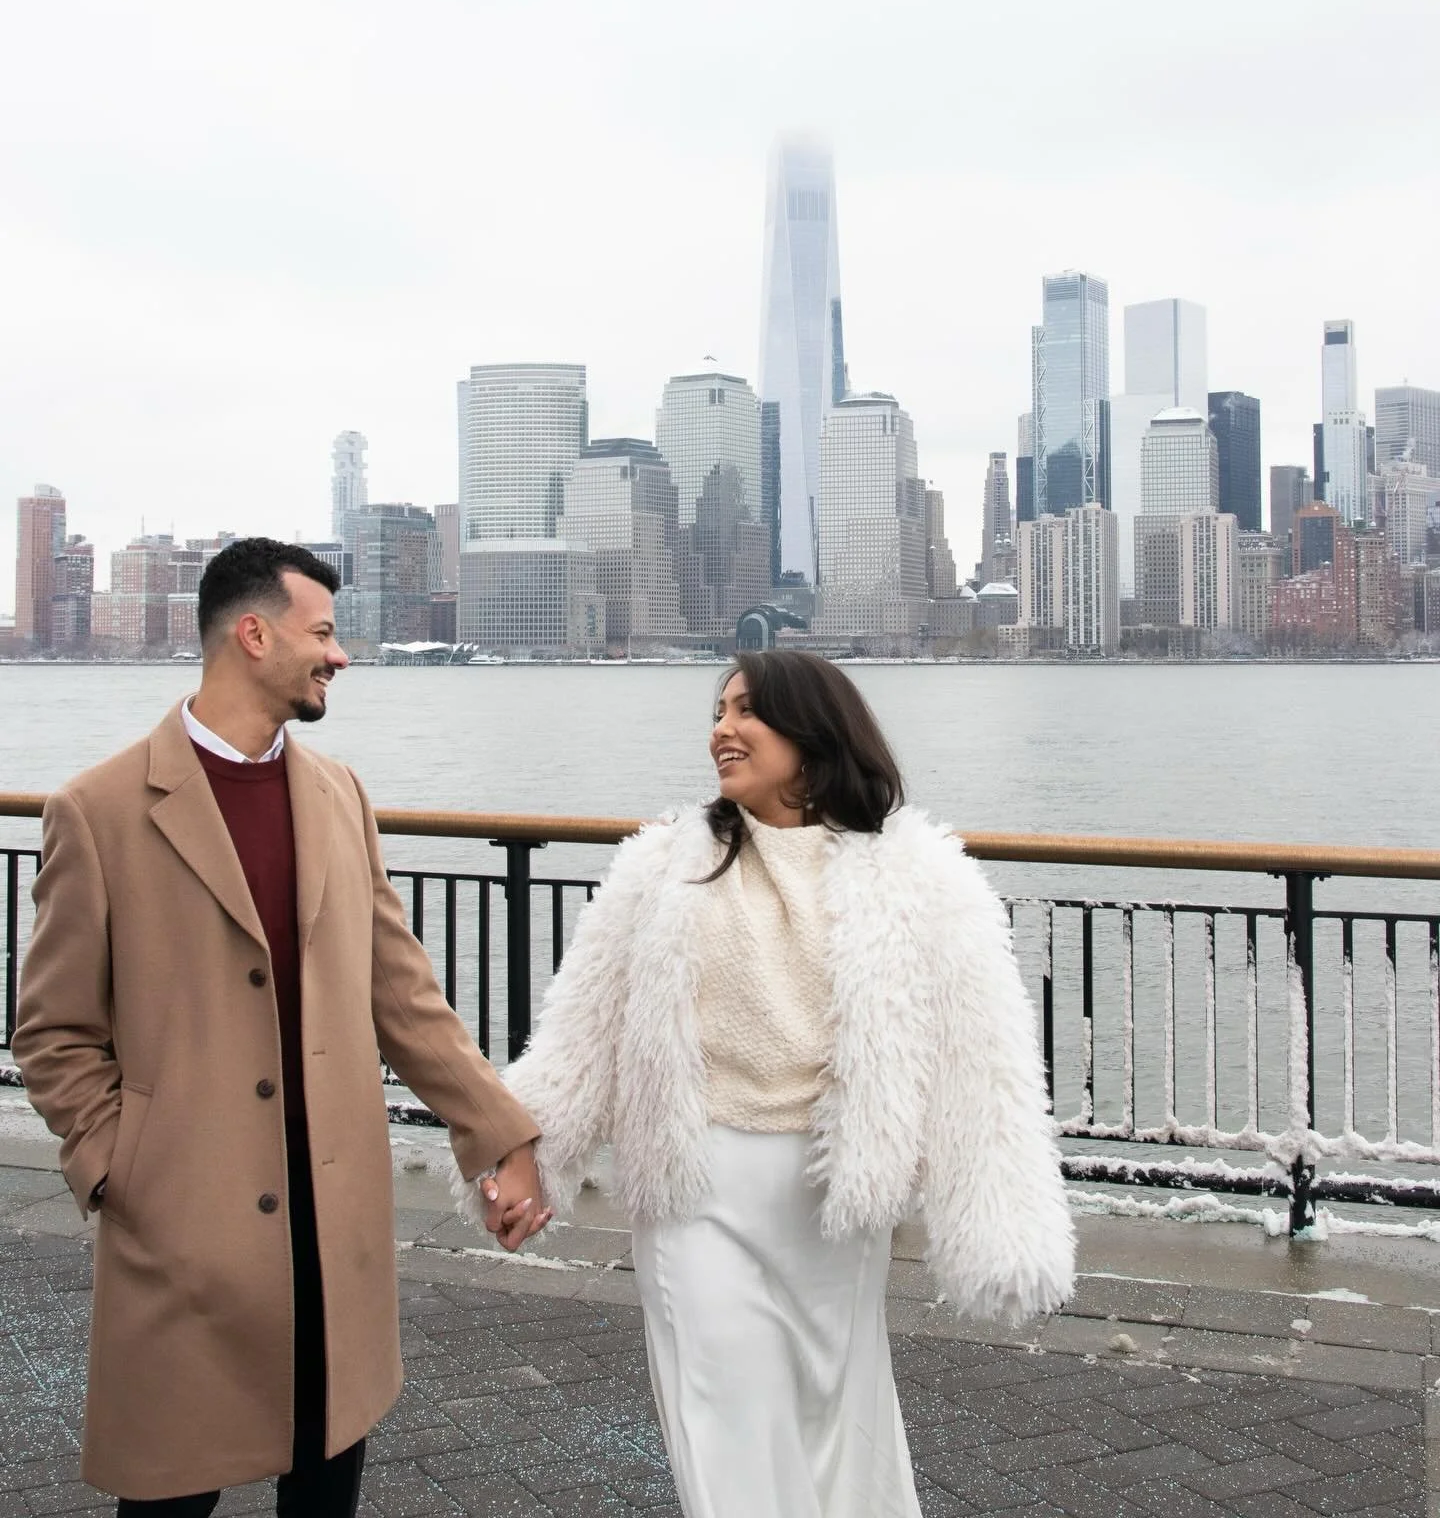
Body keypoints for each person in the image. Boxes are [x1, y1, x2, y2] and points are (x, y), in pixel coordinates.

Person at [456, 649, 1076, 1518]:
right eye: (717, 710)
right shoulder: (661, 867)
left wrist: (1003, 1224)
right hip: (696, 1184)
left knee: (838, 1421)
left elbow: (986, 1059)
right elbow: (583, 1028)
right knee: (729, 1423)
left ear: (812, 733)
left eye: (747, 711)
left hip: (835, 1196)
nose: (722, 729)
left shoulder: (921, 877)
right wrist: (521, 1155)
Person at [14, 537, 550, 1514]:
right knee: (172, 1489)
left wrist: (500, 1136)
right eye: (324, 632)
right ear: (254, 635)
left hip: (331, 1216)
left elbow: (404, 997)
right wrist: (119, 1166)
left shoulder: (338, 795)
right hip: (184, 1221)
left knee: (326, 1478)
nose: (340, 655)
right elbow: (52, 1031)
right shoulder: (99, 812)